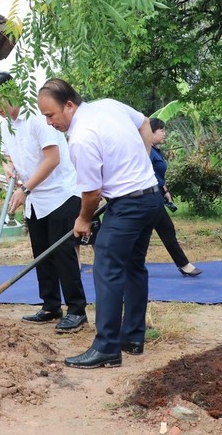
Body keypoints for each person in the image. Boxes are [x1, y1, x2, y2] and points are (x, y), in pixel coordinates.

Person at [37, 78, 161, 369]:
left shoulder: (80, 138)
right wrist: (139, 164)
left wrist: (82, 220)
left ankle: (106, 347)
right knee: (133, 267)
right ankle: (131, 338)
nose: (49, 122)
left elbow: (91, 194)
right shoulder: (108, 105)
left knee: (106, 268)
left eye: (51, 115)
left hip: (129, 206)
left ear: (69, 105)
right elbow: (145, 123)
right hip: (150, 197)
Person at [0, 72, 87, 333]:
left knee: (62, 254)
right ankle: (50, 306)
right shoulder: (5, 126)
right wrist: (9, 168)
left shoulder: (37, 119)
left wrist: (25, 189)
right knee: (41, 254)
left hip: (61, 194)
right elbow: (8, 156)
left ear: (13, 92)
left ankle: (76, 310)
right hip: (35, 199)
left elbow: (53, 159)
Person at [149, 118, 202, 277]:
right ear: (150, 132)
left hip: (157, 194)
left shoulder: (155, 150)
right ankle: (184, 264)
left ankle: (184, 264)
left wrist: (165, 189)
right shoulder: (147, 152)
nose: (165, 133)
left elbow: (156, 174)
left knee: (166, 230)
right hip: (148, 197)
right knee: (161, 231)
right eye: (161, 130)